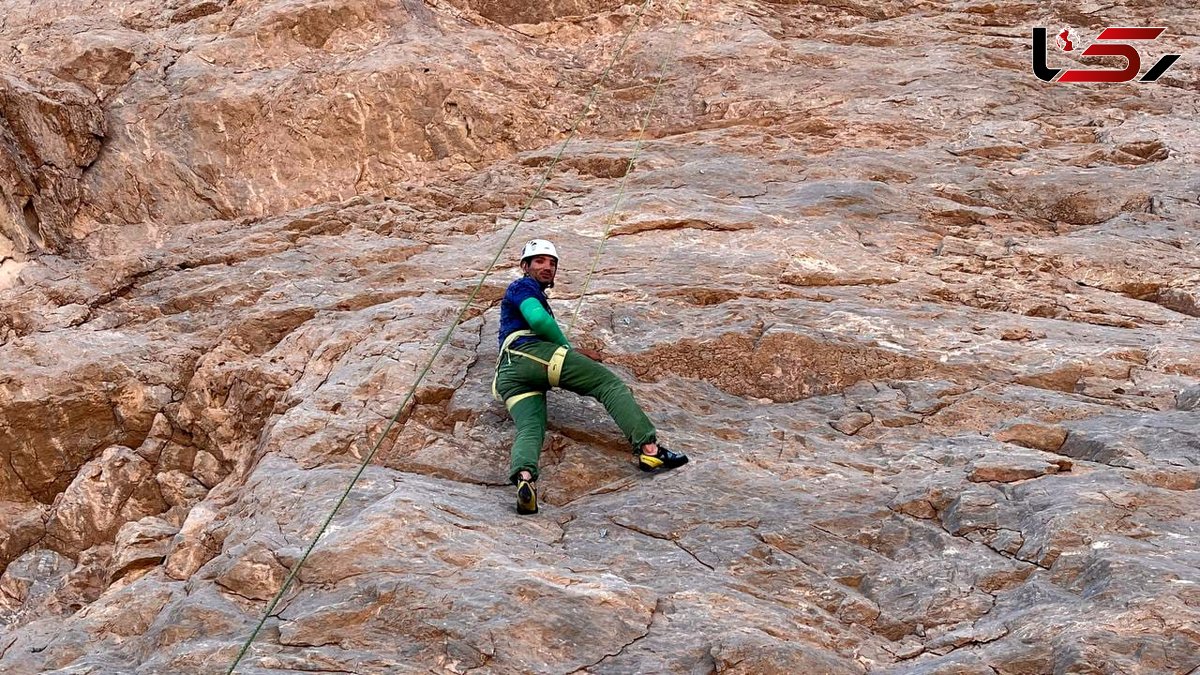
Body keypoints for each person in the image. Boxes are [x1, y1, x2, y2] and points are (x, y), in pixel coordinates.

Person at [492, 239, 688, 514]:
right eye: (539, 261)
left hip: (508, 374)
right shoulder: (522, 286)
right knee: (608, 384)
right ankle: (650, 450)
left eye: (552, 263)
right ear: (525, 266)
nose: (547, 267)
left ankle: (525, 480)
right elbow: (539, 321)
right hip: (531, 354)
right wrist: (569, 350)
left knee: (531, 427)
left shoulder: (526, 290)